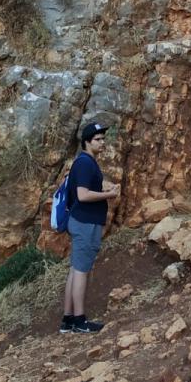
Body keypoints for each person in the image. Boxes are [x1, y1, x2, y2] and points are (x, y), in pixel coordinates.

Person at [60, 121, 120, 335]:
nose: (102, 142)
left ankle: (68, 320)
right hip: (85, 223)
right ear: (87, 142)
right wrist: (109, 195)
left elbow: (87, 187)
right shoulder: (85, 163)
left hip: (83, 221)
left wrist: (105, 187)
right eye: (97, 139)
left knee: (75, 269)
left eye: (103, 139)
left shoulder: (85, 162)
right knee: (81, 271)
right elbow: (83, 195)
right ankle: (79, 320)